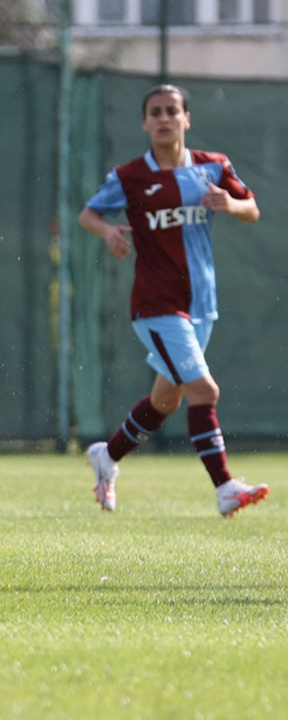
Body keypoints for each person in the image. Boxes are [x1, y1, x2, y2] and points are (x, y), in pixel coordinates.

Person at [77, 84, 268, 517]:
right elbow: (88, 214)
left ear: (186, 119)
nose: (164, 119)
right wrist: (107, 232)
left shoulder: (213, 167)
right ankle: (224, 488)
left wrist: (230, 206)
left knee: (166, 401)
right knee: (205, 389)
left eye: (172, 111)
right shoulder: (130, 176)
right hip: (157, 305)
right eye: (155, 112)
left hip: (202, 304)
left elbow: (252, 207)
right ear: (145, 123)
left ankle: (108, 456)